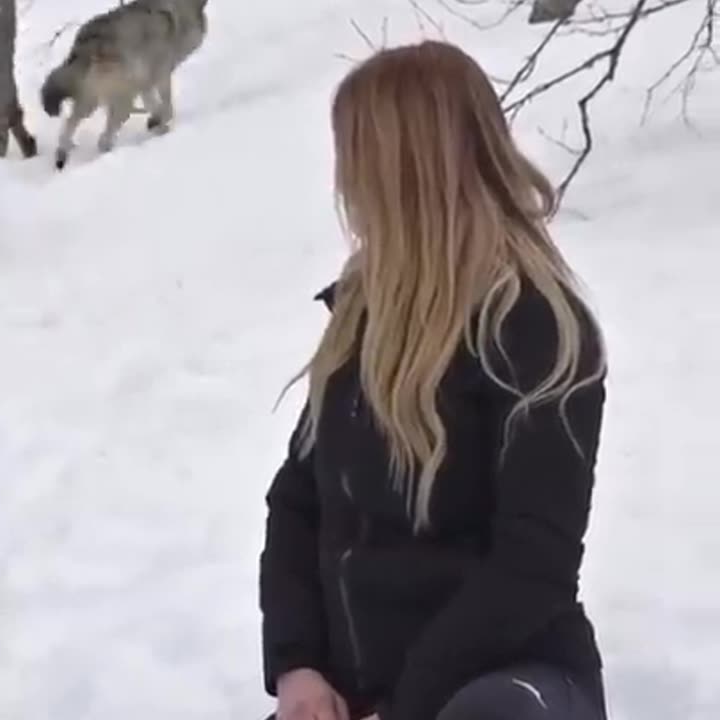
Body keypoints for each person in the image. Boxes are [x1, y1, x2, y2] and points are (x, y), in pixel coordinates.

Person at [260, 40, 610, 720]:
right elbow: (298, 505)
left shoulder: (539, 330)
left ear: (406, 169)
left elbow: (532, 565)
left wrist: (409, 705)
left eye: (356, 155)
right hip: (359, 686)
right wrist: (297, 665)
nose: (344, 181)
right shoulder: (363, 320)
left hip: (507, 680)